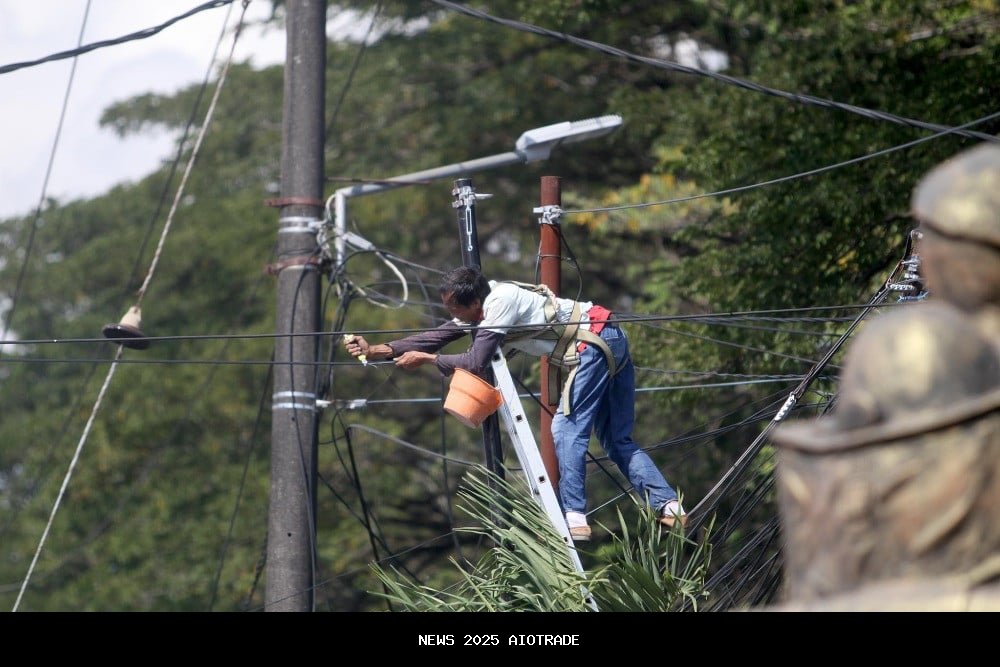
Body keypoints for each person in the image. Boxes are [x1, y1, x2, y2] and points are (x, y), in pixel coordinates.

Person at [344, 265, 685, 541]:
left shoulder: (500, 303)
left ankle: (575, 516)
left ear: (474, 303)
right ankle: (669, 507)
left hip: (592, 343)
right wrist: (378, 351)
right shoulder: (483, 304)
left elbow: (476, 361)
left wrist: (430, 360)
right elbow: (437, 336)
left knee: (565, 430)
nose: (452, 315)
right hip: (611, 336)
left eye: (454, 309)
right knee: (615, 439)